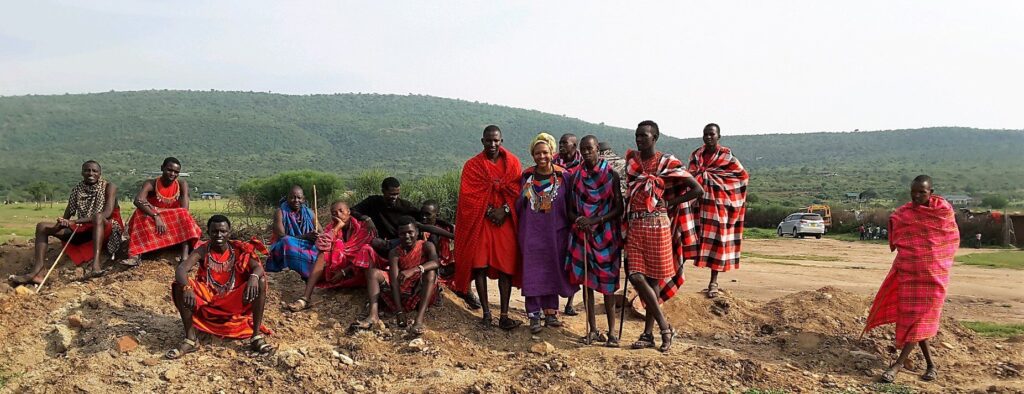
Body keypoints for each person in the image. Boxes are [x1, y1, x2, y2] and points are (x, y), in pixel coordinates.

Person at [863, 176, 959, 383]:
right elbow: (898, 233)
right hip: (910, 275)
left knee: (921, 320)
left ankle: (897, 365)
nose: (916, 196)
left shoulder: (943, 212)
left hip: (934, 277)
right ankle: (931, 366)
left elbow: (948, 242)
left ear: (931, 192)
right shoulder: (904, 214)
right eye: (913, 192)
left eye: (921, 192)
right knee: (916, 321)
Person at [625, 120, 703, 353]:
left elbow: (697, 189)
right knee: (635, 276)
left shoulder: (667, 162)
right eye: (637, 135)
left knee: (653, 281)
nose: (639, 139)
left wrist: (669, 202)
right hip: (635, 225)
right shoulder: (632, 161)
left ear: (655, 137)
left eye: (644, 136)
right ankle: (665, 327)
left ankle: (648, 334)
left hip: (658, 225)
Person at [167, 215, 273, 359]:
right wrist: (187, 288)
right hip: (209, 297)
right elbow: (181, 270)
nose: (219, 235)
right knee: (179, 285)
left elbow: (258, 267)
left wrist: (253, 277)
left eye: (223, 231)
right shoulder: (203, 250)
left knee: (260, 280)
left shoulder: (238, 248)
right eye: (214, 232)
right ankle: (191, 339)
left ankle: (255, 337)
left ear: (229, 232)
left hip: (233, 297)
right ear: (208, 232)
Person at [454, 125, 523, 330]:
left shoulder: (513, 163)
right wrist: (488, 212)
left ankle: (503, 314)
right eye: (488, 140)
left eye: (496, 140)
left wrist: (505, 210)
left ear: (501, 141)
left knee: (505, 267)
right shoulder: (472, 166)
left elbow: (518, 192)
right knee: (479, 265)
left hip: (505, 221)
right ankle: (486, 313)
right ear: (482, 141)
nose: (492, 144)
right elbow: (468, 197)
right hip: (482, 221)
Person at [10, 161, 123, 285]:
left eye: (94, 171)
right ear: (82, 173)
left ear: (100, 173)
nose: (91, 173)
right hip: (85, 229)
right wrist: (61, 223)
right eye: (87, 170)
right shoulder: (77, 190)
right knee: (42, 226)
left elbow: (106, 213)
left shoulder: (109, 187)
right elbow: (67, 215)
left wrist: (74, 221)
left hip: (107, 228)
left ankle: (95, 266)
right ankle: (38, 271)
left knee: (98, 217)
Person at [567, 135, 625, 346]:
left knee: (609, 286)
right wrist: (581, 221)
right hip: (584, 235)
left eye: (590, 149)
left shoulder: (611, 175)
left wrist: (596, 219)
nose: (586, 153)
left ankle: (612, 333)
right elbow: (570, 210)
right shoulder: (576, 177)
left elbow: (619, 208)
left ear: (598, 149)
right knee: (587, 285)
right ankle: (592, 329)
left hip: (607, 235)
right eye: (583, 150)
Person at [681, 123, 750, 299]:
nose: (708, 137)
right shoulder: (696, 155)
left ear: (718, 136)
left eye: (712, 134)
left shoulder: (726, 156)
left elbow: (742, 177)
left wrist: (720, 188)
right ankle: (675, 277)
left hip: (717, 206)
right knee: (686, 238)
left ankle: (713, 282)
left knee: (717, 242)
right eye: (706, 134)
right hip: (696, 205)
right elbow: (690, 175)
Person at [517, 133, 576, 334]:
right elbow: (519, 204)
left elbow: (571, 204)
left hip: (555, 233)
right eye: (537, 153)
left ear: (552, 153)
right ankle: (533, 314)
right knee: (532, 272)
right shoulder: (526, 176)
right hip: (531, 233)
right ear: (532, 154)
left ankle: (551, 313)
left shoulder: (564, 176)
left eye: (545, 152)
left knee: (553, 269)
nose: (541, 156)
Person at [352, 217, 440, 336]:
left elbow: (436, 262)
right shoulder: (395, 252)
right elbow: (394, 282)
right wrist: (399, 312)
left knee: (431, 273)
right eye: (403, 234)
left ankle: (419, 320)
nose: (407, 236)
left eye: (410, 232)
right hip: (402, 289)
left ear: (417, 232)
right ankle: (373, 315)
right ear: (398, 235)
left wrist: (414, 270)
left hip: (420, 289)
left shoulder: (426, 246)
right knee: (373, 273)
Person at [287, 200, 377, 311]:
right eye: (334, 213)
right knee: (323, 254)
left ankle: (372, 302)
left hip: (356, 271)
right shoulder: (332, 227)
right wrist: (338, 227)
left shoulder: (363, 228)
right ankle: (305, 298)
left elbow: (366, 255)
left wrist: (344, 271)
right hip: (336, 270)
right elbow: (321, 245)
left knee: (366, 250)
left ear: (348, 211)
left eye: (341, 211)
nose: (338, 215)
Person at [122, 157, 202, 266]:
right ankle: (135, 256)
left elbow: (184, 210)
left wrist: (164, 215)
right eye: (169, 170)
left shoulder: (182, 185)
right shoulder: (151, 184)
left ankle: (185, 256)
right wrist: (156, 215)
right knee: (140, 213)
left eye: (176, 172)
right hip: (153, 222)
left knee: (183, 215)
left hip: (171, 223)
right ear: (162, 168)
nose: (172, 174)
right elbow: (138, 200)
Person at [419, 200, 482, 309]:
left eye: (428, 214)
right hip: (428, 267)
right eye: (422, 214)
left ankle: (466, 291)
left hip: (444, 266)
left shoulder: (447, 227)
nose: (424, 217)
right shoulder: (418, 230)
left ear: (437, 215)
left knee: (474, 265)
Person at [552, 133, 583, 315]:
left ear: (574, 146)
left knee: (575, 260)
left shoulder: (582, 166)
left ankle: (570, 302)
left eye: (566, 143)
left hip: (576, 218)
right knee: (556, 259)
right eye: (560, 143)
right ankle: (552, 304)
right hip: (556, 217)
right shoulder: (552, 164)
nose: (562, 146)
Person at [264, 185, 320, 278]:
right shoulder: (280, 212)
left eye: (299, 198)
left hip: (305, 245)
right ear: (287, 198)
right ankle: (298, 270)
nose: (296, 200)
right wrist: (305, 237)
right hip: (286, 247)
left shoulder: (309, 213)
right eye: (292, 197)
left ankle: (310, 272)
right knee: (287, 241)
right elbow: (281, 236)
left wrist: (316, 236)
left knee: (319, 247)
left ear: (303, 199)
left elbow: (321, 232)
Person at [352, 177, 421, 241]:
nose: (395, 197)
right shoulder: (373, 202)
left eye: (397, 194)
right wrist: (366, 219)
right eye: (392, 194)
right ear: (383, 191)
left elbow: (421, 217)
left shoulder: (405, 206)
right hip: (378, 240)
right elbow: (352, 210)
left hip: (399, 241)